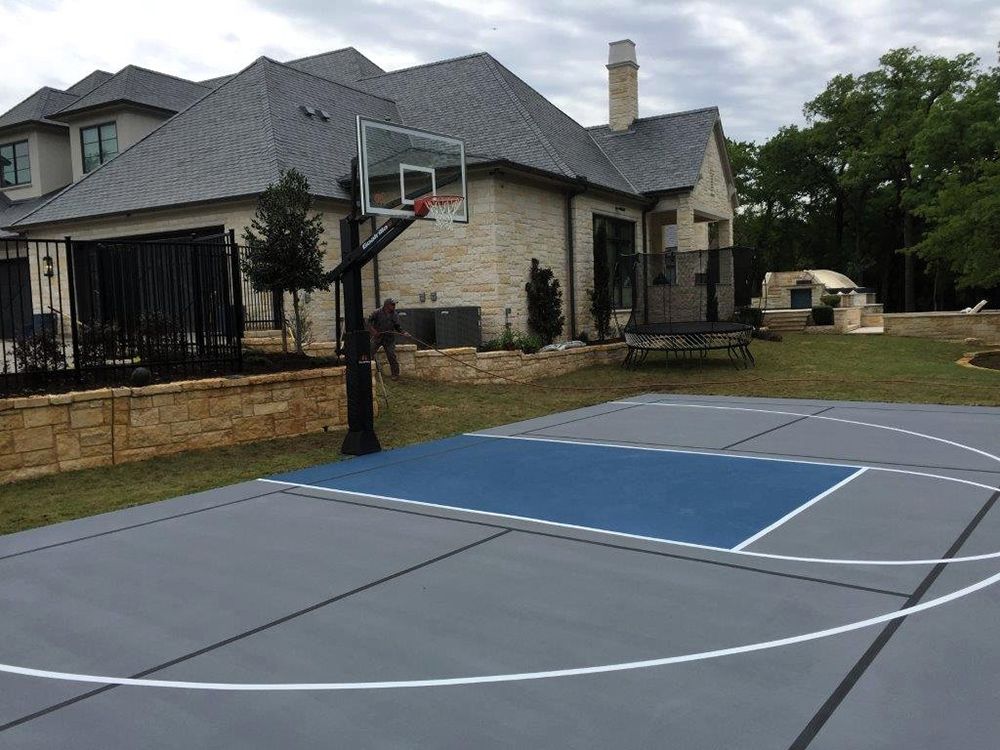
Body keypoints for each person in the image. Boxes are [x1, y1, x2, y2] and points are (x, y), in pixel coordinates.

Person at [367, 298, 404, 380]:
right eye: (393, 304)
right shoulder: (377, 312)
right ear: (387, 305)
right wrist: (373, 331)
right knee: (369, 352)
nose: (394, 306)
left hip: (389, 339)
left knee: (391, 355)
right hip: (377, 337)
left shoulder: (395, 315)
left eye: (394, 304)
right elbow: (368, 321)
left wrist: (403, 332)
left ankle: (395, 374)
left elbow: (397, 327)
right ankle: (370, 372)